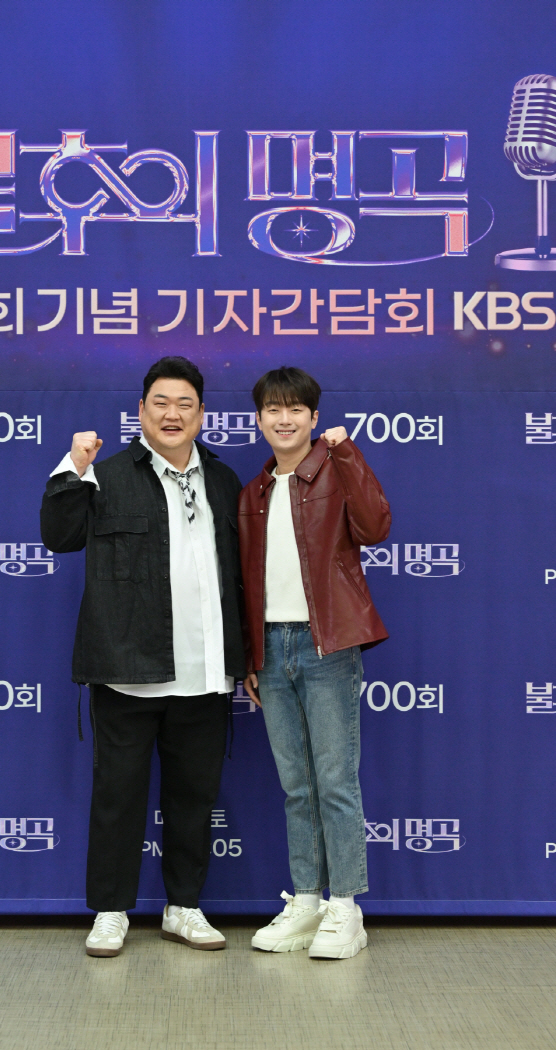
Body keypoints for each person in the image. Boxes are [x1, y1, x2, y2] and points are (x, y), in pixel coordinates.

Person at [40, 356, 246, 957]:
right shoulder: (104, 474)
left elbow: (242, 574)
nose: (172, 414)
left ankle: (184, 907)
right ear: (141, 411)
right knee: (118, 798)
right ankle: (111, 912)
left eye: (185, 404)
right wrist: (73, 469)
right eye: (161, 402)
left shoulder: (224, 479)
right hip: (126, 669)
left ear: (201, 414)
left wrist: (243, 659)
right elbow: (59, 536)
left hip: (205, 671)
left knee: (194, 798)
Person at [238, 367, 391, 959]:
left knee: (335, 782)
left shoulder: (334, 469)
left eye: (296, 409)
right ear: (258, 419)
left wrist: (347, 453)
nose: (285, 419)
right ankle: (306, 901)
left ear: (314, 417)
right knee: (296, 787)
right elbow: (246, 583)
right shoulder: (252, 493)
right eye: (274, 410)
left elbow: (375, 526)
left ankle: (345, 907)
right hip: (271, 649)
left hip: (327, 645)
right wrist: (252, 656)